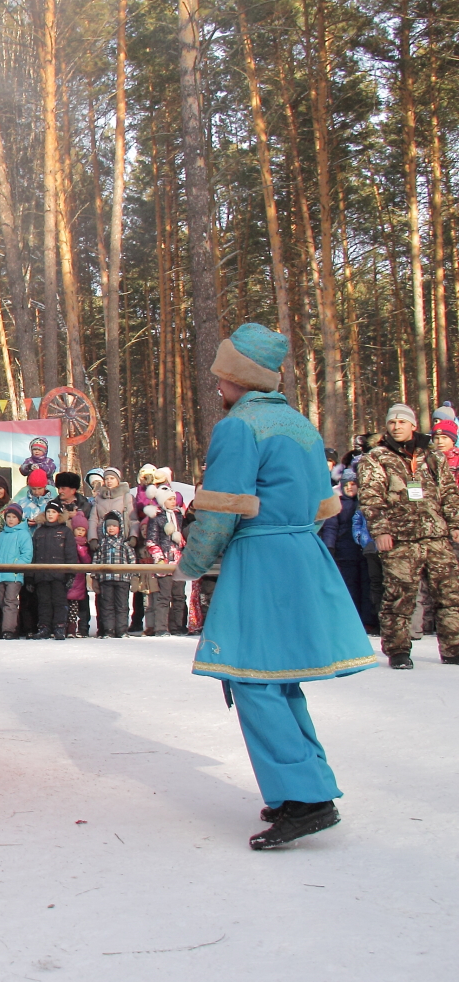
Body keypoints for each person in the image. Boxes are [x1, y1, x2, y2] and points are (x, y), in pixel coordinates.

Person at [177, 322, 377, 850]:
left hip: (261, 560)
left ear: (239, 377)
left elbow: (221, 508)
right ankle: (303, 787)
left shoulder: (240, 427)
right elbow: (321, 507)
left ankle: (307, 799)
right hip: (301, 555)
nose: (218, 387)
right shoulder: (300, 425)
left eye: (222, 377)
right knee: (280, 678)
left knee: (251, 678)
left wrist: (192, 563)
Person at [357, 402, 459, 668]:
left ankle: (453, 647)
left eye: (402, 422)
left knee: (450, 594)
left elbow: (449, 492)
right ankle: (398, 649)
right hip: (399, 538)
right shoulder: (376, 458)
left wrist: (455, 524)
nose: (396, 426)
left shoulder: (433, 456)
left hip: (436, 535)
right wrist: (380, 530)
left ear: (413, 425)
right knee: (399, 597)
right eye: (392, 422)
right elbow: (370, 498)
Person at [320, 470, 370, 630]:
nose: (350, 488)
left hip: (364, 551)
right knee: (350, 586)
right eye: (346, 484)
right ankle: (351, 619)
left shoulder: (365, 503)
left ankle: (368, 619)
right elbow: (331, 526)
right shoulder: (339, 503)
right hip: (345, 551)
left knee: (367, 586)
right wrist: (330, 546)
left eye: (353, 484)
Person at [28, 500, 78, 640]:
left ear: (59, 514)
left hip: (59, 575)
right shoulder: (39, 532)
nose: (50, 515)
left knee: (59, 602)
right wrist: (30, 576)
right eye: (48, 512)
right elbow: (33, 555)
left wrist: (70, 574)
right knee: (43, 602)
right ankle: (44, 627)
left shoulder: (66, 532)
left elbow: (70, 554)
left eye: (54, 512)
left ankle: (60, 627)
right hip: (41, 575)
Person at [140, 487, 187, 635]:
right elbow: (152, 541)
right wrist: (159, 558)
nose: (173, 502)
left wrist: (183, 546)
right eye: (170, 499)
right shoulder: (156, 518)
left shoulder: (180, 516)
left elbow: (184, 537)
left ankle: (177, 626)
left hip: (179, 561)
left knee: (179, 596)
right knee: (164, 596)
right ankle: (161, 627)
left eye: (174, 499)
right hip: (164, 561)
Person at [0, 504, 31, 639]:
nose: (11, 520)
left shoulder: (23, 534)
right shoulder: (2, 535)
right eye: (8, 517)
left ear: (19, 519)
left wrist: (16, 567)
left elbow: (27, 554)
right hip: (0, 575)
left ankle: (9, 630)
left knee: (10, 601)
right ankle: (12, 626)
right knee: (2, 602)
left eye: (14, 517)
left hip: (14, 575)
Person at [92, 510, 136, 638]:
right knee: (107, 606)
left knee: (122, 605)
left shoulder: (125, 545)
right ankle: (109, 630)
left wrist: (134, 577)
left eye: (114, 526)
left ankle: (122, 630)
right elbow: (96, 561)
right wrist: (94, 577)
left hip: (122, 579)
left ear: (119, 527)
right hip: (106, 580)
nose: (111, 528)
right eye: (109, 526)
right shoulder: (102, 545)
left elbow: (132, 561)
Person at [67, 512, 92, 636]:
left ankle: (83, 628)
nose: (80, 532)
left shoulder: (85, 545)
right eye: (78, 529)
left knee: (81, 606)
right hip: (70, 578)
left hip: (80, 580)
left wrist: (82, 551)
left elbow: (87, 562)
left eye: (83, 530)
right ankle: (70, 627)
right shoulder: (69, 542)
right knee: (70, 604)